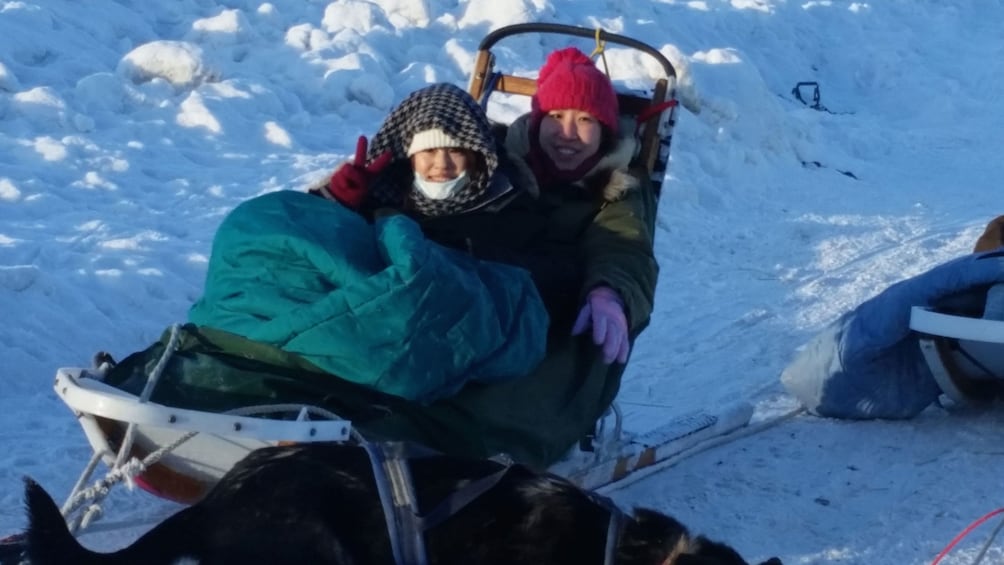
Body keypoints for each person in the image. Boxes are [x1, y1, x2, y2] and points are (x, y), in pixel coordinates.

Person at [355, 46, 660, 467]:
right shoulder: (492, 154)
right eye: (556, 116)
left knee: (495, 403)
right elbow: (425, 184)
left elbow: (624, 247)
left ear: (606, 130)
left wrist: (611, 291)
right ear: (536, 121)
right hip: (469, 293)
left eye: (585, 120)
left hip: (561, 317)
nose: (567, 132)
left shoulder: (620, 189)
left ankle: (451, 462)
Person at [186, 83, 549, 405]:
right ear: (410, 156)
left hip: (429, 307)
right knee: (254, 223)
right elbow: (322, 241)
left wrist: (456, 254)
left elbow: (517, 280)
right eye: (428, 152)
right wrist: (332, 199)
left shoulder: (505, 203)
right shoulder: (385, 192)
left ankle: (279, 348)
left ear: (474, 154)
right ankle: (256, 334)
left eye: (454, 151)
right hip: (358, 287)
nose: (441, 164)